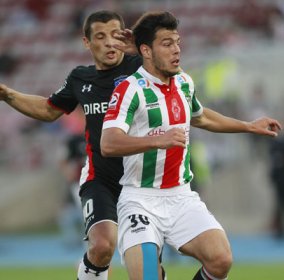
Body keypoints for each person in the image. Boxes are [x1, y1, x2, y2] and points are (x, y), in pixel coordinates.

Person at [101, 11, 282, 280]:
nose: (176, 50)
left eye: (177, 42)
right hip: (140, 199)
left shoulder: (184, 82)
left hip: (181, 196)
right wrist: (157, 140)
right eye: (167, 43)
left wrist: (247, 125)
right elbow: (108, 143)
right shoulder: (129, 89)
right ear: (146, 51)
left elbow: (202, 116)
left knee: (221, 259)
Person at [0, 10, 167, 280]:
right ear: (87, 43)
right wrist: (8, 94)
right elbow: (48, 110)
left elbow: (172, 66)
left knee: (146, 270)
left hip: (142, 178)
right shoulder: (80, 78)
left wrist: (141, 45)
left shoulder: (141, 67)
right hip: (100, 177)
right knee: (101, 246)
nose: (109, 42)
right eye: (100, 36)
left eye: (115, 35)